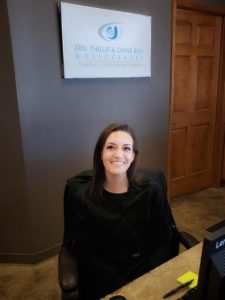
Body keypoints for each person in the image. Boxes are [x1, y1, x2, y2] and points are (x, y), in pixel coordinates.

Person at [63, 123, 179, 300]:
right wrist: (125, 287)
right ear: (100, 154)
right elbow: (87, 253)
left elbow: (165, 238)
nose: (118, 154)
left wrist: (148, 277)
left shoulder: (150, 189)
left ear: (133, 156)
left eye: (126, 148)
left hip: (145, 268)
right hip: (103, 276)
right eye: (111, 147)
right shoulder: (82, 197)